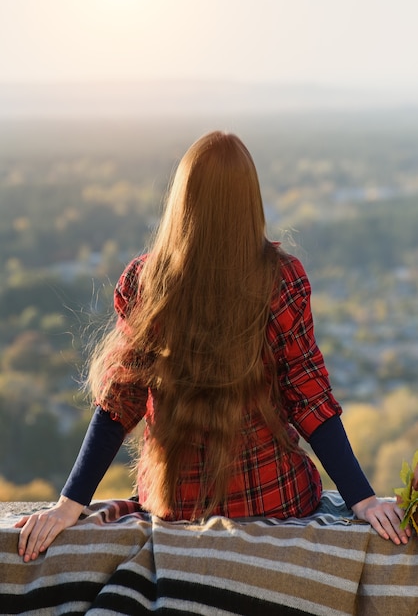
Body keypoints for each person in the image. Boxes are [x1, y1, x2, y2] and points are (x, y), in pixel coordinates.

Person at [16, 131, 410, 562]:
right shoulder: (282, 279)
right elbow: (309, 397)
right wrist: (363, 499)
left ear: (182, 199)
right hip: (273, 496)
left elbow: (120, 402)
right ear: (250, 203)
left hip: (173, 503)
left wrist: (69, 503)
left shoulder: (145, 282)